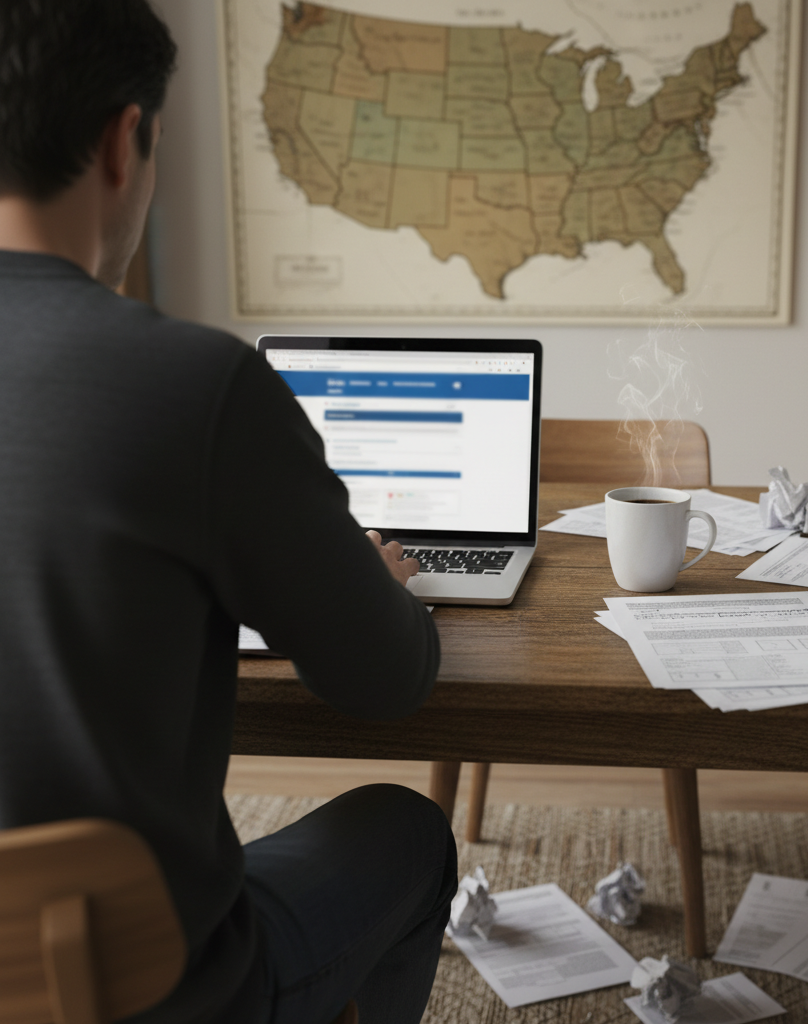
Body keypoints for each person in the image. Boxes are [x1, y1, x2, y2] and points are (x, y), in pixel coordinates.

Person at [0, 2, 457, 1022]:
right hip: (152, 993)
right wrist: (372, 588)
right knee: (408, 832)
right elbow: (386, 681)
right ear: (126, 142)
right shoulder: (193, 385)